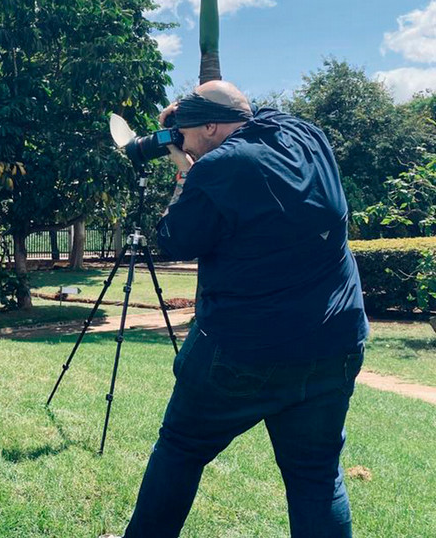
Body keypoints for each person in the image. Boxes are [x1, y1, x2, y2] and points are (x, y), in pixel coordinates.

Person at [117, 81, 369, 537]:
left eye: (187, 135)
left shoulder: (217, 169)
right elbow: (242, 109)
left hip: (242, 350)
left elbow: (175, 239)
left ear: (211, 127)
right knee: (316, 475)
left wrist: (184, 171)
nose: (184, 143)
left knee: (180, 447)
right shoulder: (304, 133)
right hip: (335, 340)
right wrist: (186, 113)